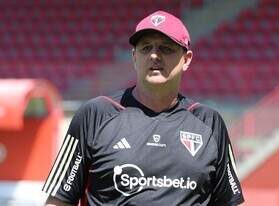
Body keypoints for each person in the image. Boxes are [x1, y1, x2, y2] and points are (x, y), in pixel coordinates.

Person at [42, 10, 244, 206]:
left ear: (187, 59)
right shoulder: (95, 114)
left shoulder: (209, 122)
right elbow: (59, 199)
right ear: (134, 56)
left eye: (166, 48)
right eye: (146, 48)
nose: (154, 56)